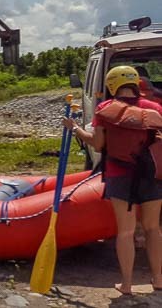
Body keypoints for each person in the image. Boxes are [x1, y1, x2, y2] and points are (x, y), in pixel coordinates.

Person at [65, 65, 162, 294]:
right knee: (153, 228)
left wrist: (76, 129)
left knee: (126, 231)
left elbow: (98, 145)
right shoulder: (155, 108)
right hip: (152, 176)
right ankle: (158, 279)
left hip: (120, 175)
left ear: (112, 84)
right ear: (136, 83)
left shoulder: (104, 109)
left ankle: (126, 284)